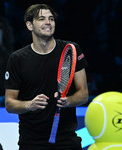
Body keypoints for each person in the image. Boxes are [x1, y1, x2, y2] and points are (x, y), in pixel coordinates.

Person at [5, 4, 89, 150]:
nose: (48, 22)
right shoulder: (17, 59)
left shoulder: (71, 49)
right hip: (31, 142)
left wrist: (68, 101)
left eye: (51, 19)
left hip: (66, 140)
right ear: (29, 25)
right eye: (41, 19)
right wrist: (29, 105)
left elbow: (83, 94)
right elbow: (9, 103)